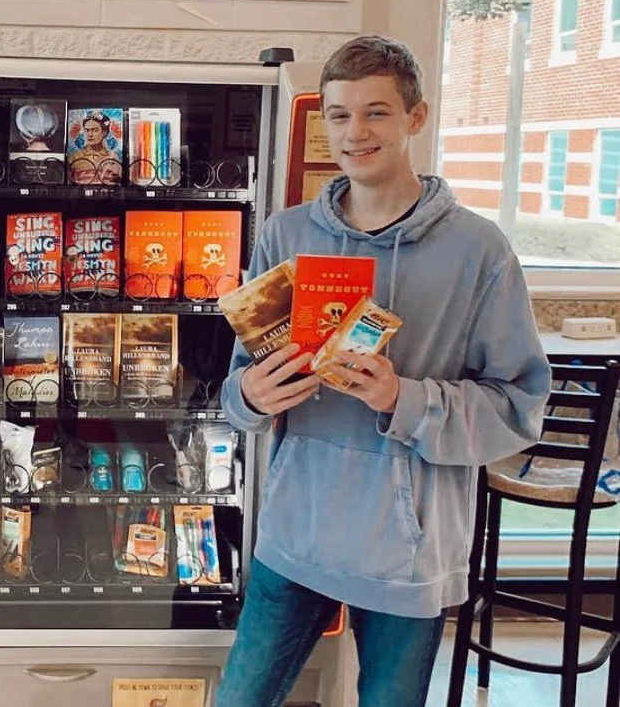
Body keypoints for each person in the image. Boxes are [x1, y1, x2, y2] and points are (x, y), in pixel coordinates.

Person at [215, 36, 550, 707]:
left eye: (375, 112)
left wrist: (405, 398)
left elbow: (517, 409)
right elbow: (238, 388)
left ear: (414, 118)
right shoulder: (285, 235)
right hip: (296, 529)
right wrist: (250, 395)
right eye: (338, 115)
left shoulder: (478, 250)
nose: (354, 132)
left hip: (409, 549)